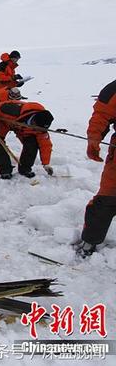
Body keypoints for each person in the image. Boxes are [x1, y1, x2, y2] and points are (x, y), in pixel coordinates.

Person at [78, 79, 116, 257]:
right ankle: (90, 241)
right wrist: (94, 138)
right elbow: (101, 115)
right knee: (108, 197)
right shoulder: (113, 90)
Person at [0, 100, 54, 179]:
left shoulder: (40, 128)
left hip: (23, 130)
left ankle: (25, 169)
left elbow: (45, 145)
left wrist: (46, 164)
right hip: (4, 123)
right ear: (34, 121)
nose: (39, 130)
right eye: (37, 128)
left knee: (33, 143)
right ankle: (5, 171)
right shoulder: (13, 110)